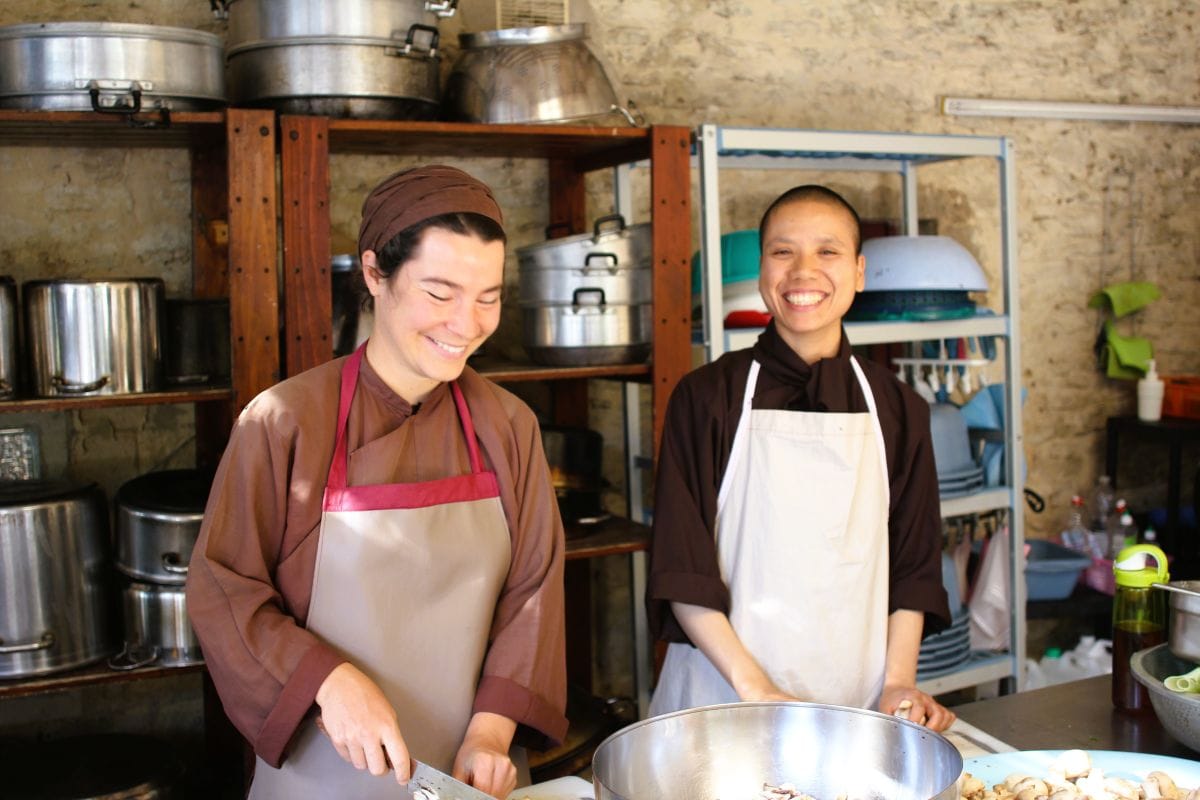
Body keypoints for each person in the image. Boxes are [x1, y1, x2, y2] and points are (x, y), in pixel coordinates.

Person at [186, 165, 568, 799]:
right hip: (323, 767)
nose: (467, 323)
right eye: (440, 293)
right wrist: (328, 681)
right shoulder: (284, 422)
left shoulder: (510, 426)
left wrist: (492, 733)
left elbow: (533, 592)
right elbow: (225, 589)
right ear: (374, 274)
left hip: (471, 773)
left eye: (489, 296)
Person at [646, 184, 956, 731]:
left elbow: (913, 567)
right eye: (783, 251)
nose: (803, 271)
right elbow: (681, 568)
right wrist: (757, 689)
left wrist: (899, 681)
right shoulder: (706, 397)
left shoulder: (899, 409)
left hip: (855, 708)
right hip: (722, 699)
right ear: (762, 269)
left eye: (828, 252)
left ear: (859, 272)